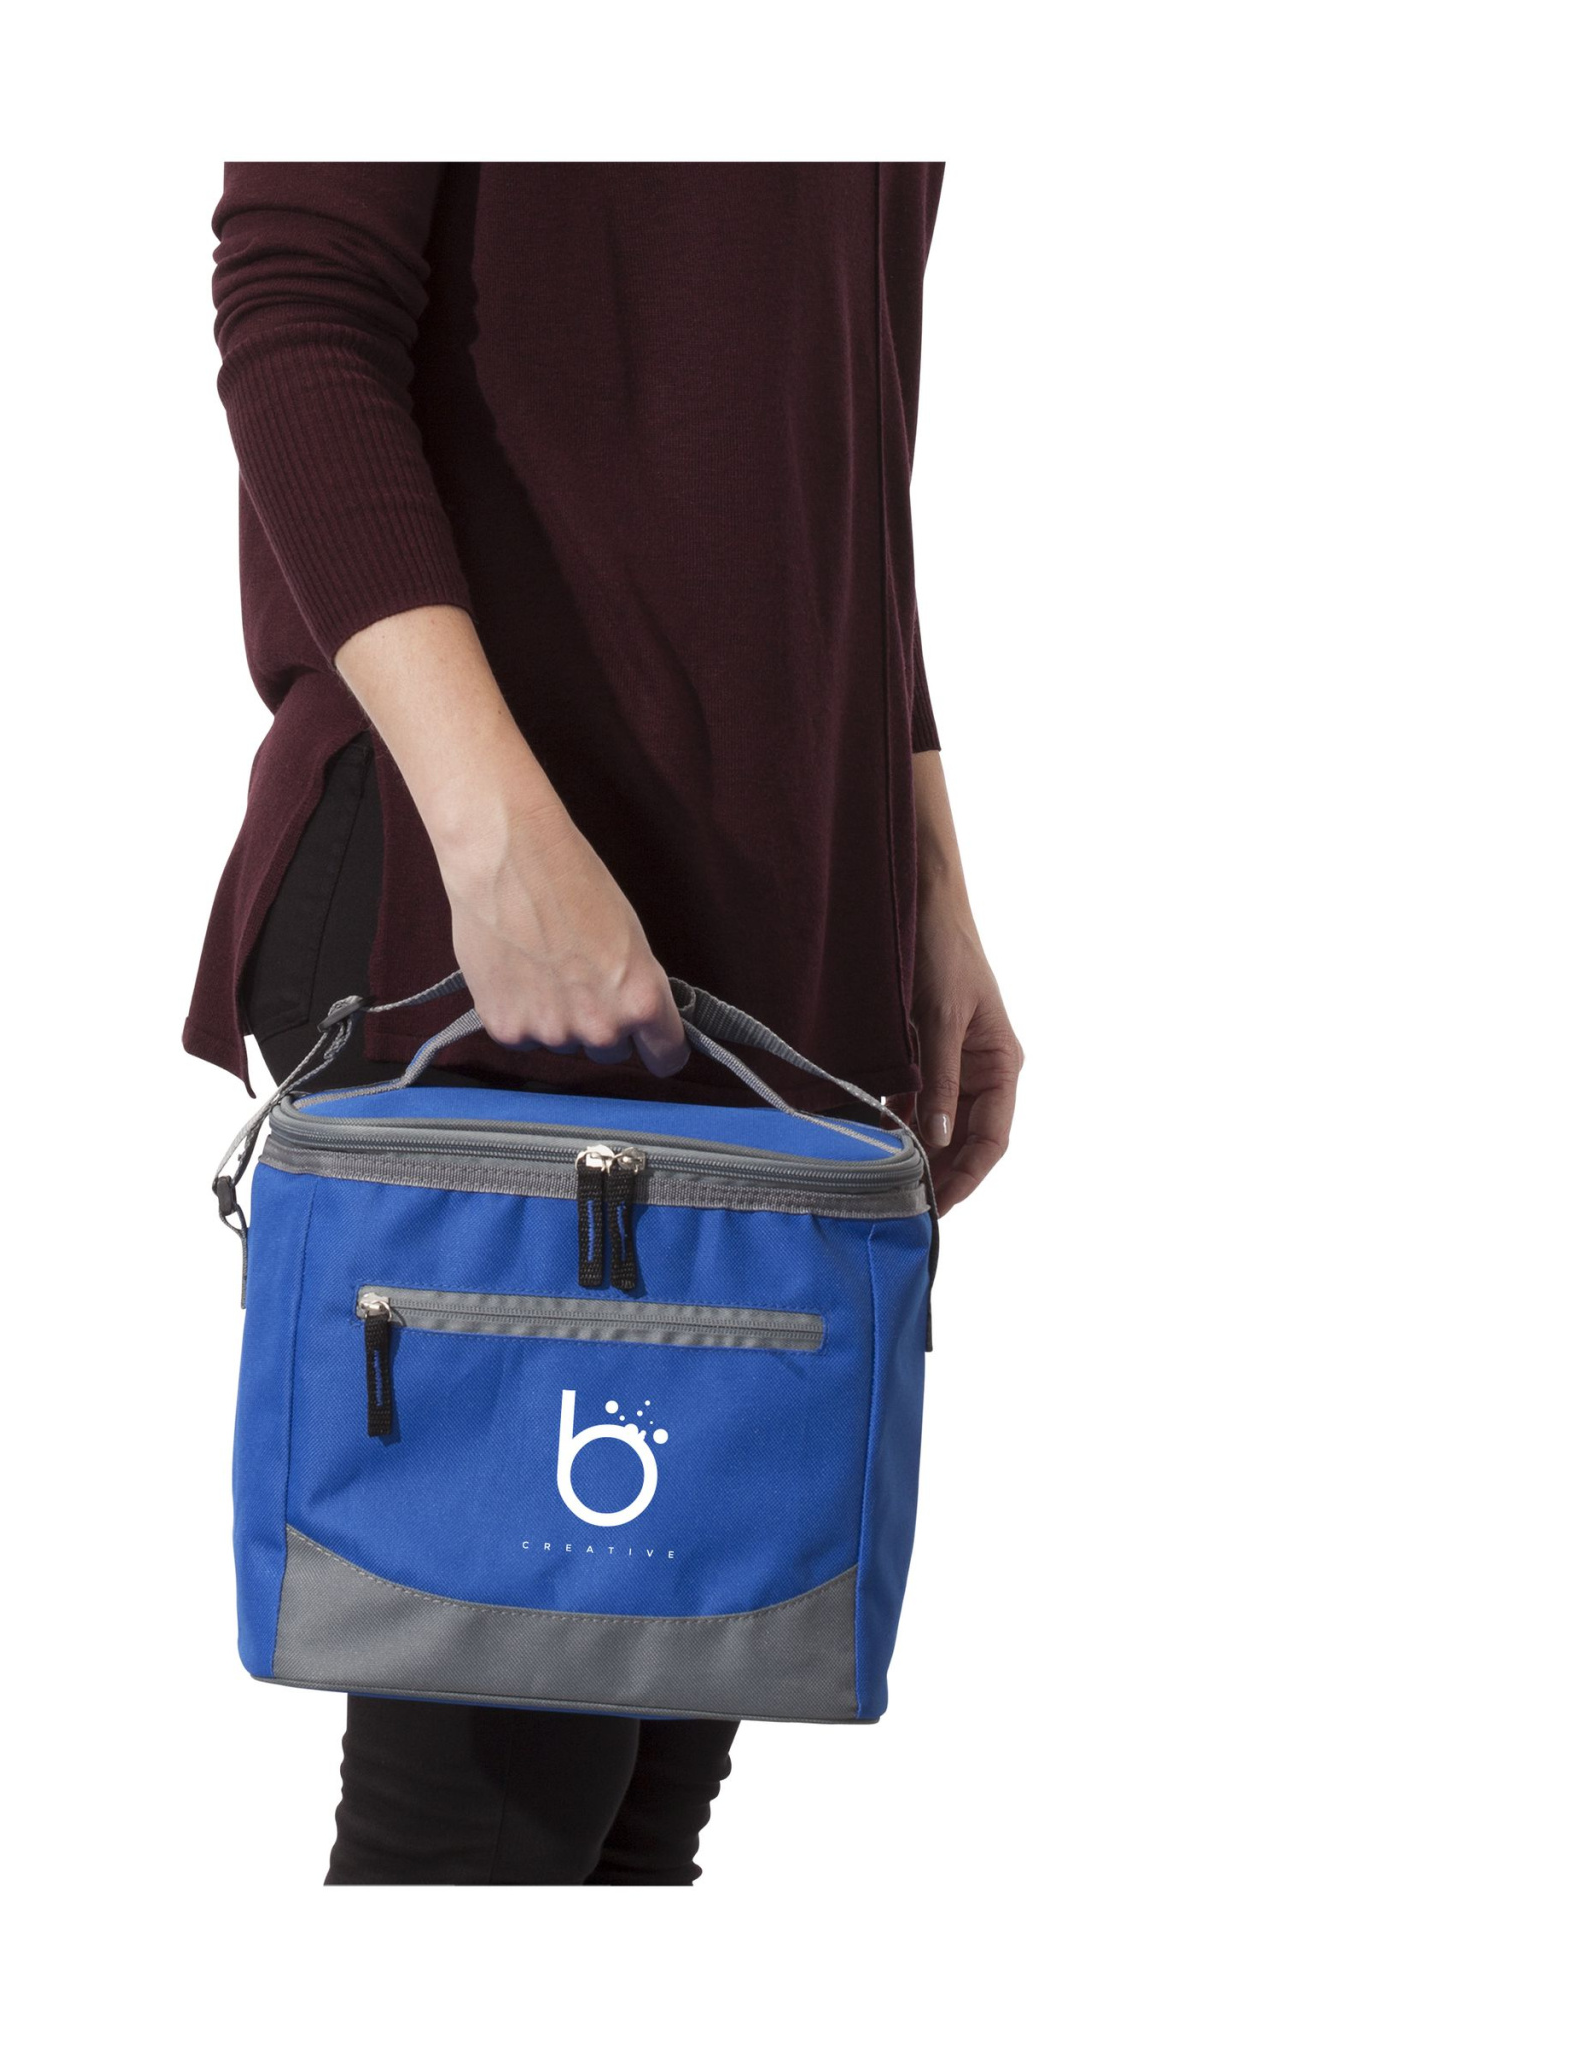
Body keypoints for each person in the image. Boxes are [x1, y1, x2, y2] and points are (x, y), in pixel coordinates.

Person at [186, 164, 1023, 1885]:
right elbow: (298, 308)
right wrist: (493, 835)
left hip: (768, 896)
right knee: (489, 1816)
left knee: (646, 1791)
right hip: (476, 891)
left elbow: (838, 412)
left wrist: (923, 865)